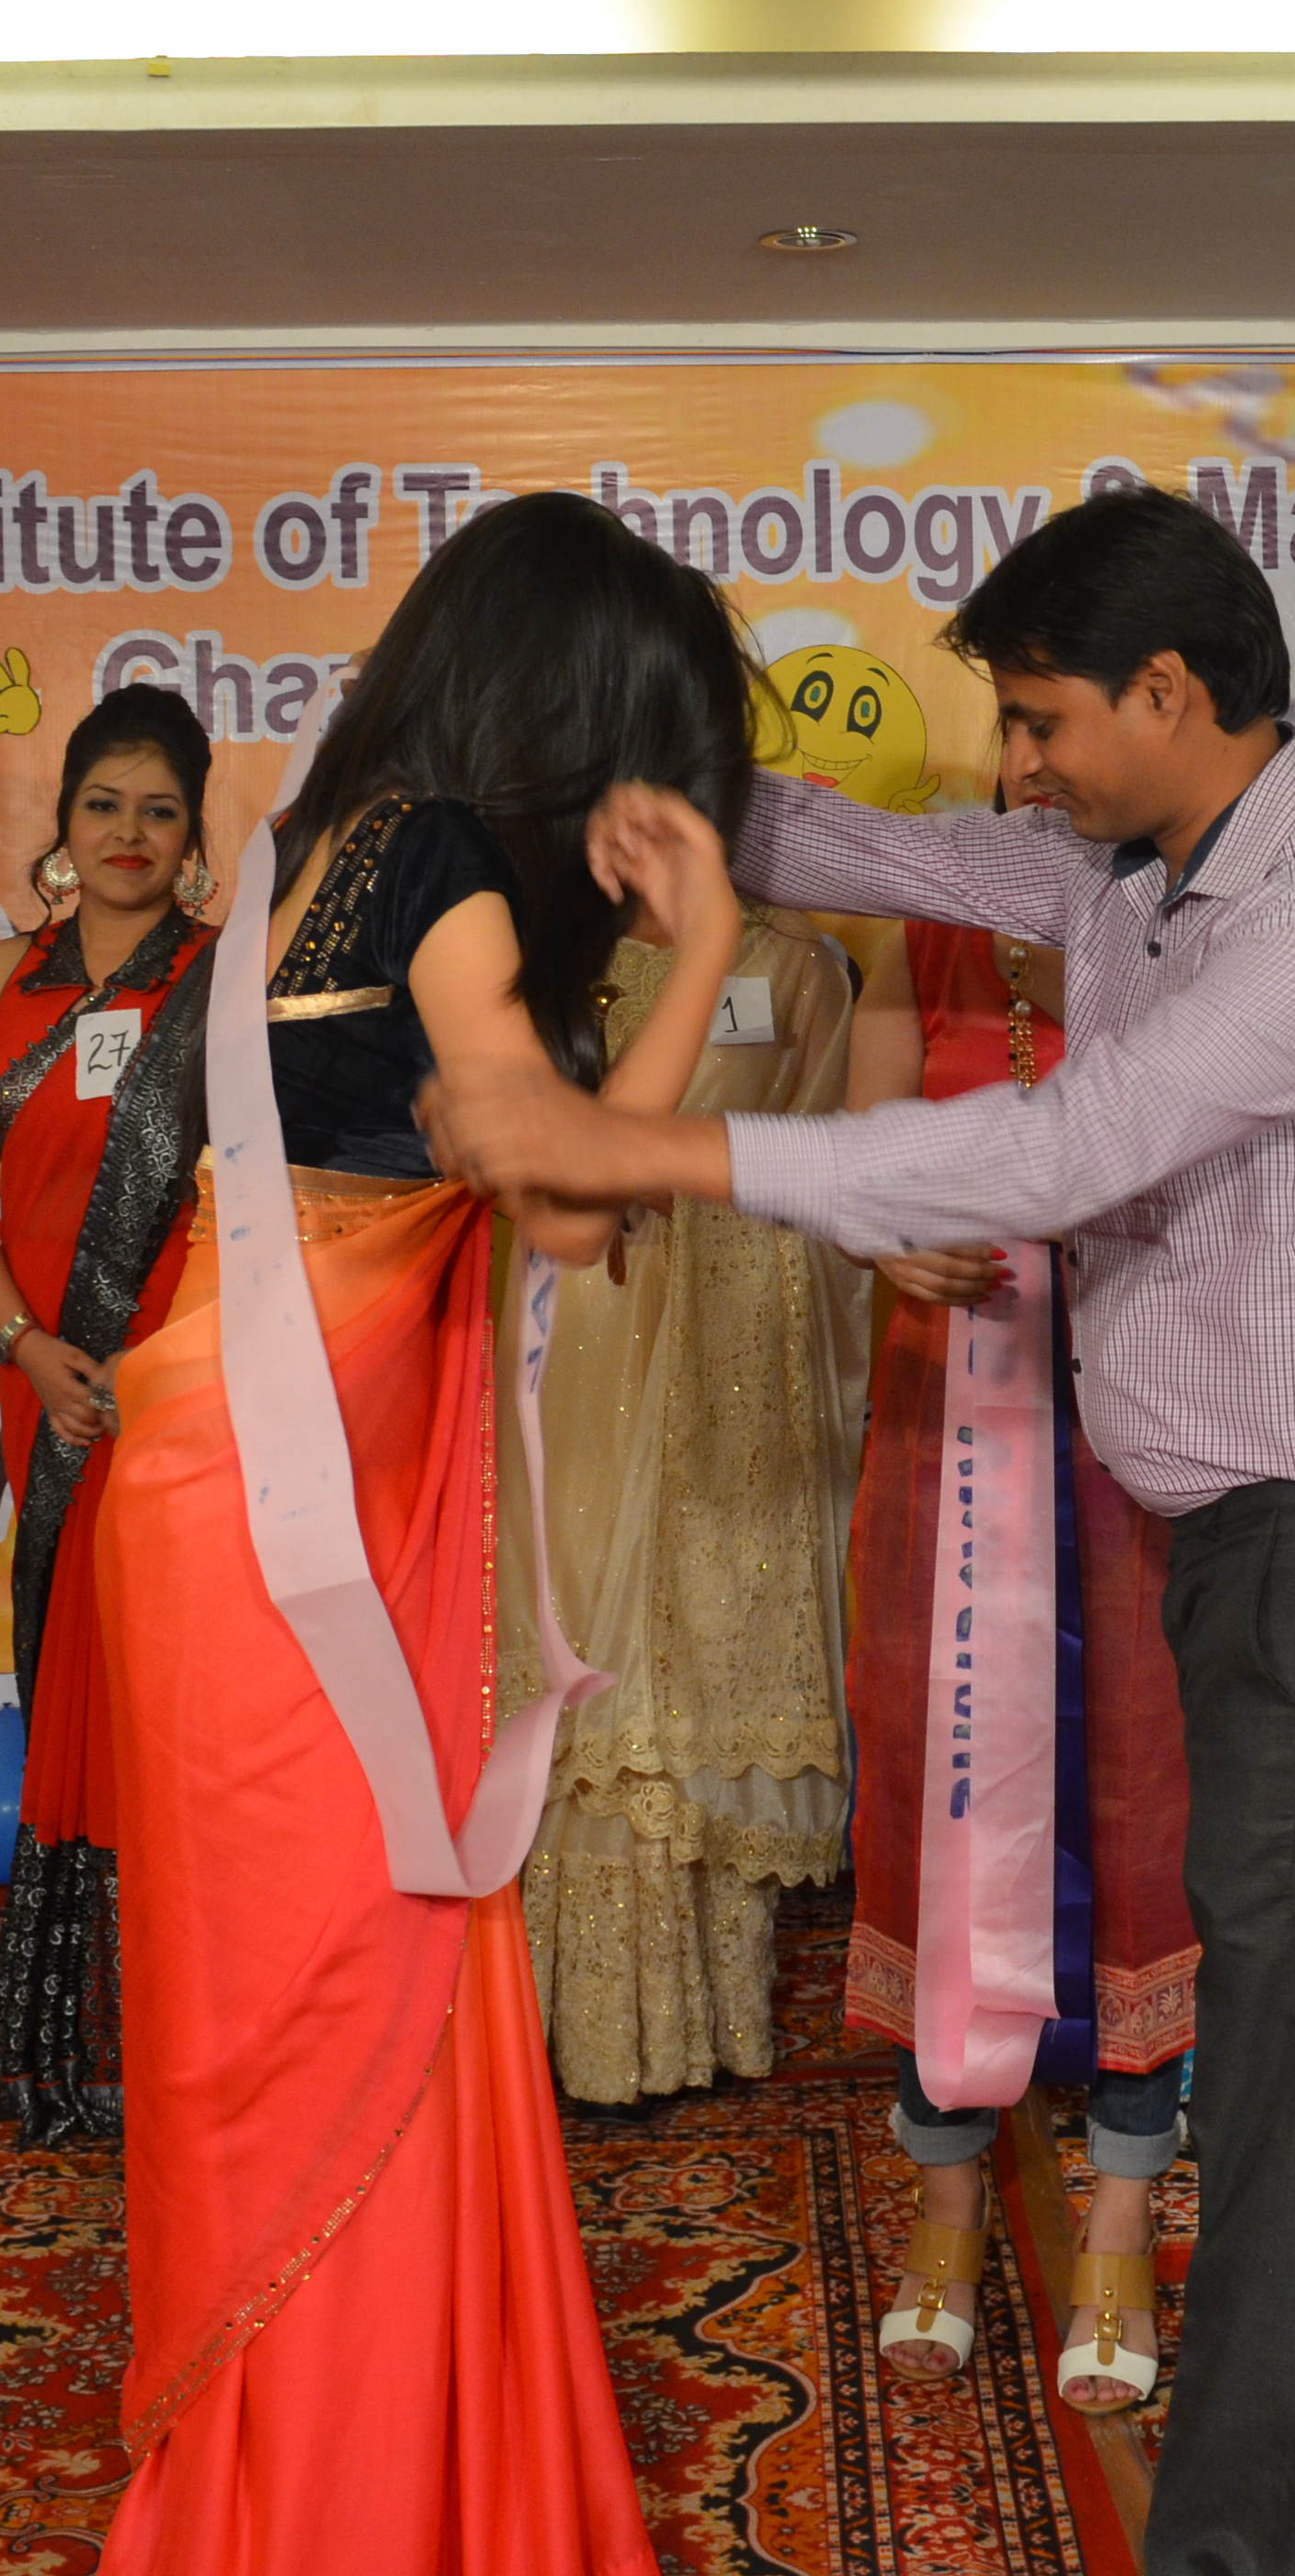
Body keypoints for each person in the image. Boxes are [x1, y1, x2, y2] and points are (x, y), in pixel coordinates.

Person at [423, 487, 1295, 2576]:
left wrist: (636, 1143)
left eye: (1037, 720)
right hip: (1284, 1543)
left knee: (1288, 2108)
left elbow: (1054, 1148)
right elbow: (843, 841)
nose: (1012, 766)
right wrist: (627, 746)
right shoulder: (1128, 871)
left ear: (1166, 690)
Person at [90, 492, 749, 2576]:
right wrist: (703, 947)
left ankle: (292, 2468)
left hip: (208, 1485)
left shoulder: (314, 844)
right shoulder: (448, 864)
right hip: (290, 1526)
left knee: (268, 1998)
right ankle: (360, 2498)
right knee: (356, 1969)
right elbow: (572, 1200)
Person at [847, 915, 1200, 2419]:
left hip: (1140, 1430)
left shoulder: (1187, 927)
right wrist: (887, 1233)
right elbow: (855, 1168)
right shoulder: (916, 943)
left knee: (1142, 1809)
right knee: (930, 1796)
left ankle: (1120, 2211)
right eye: (1025, 785)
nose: (1049, 795)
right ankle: (947, 2199)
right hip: (949, 1425)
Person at [0, 680, 222, 2145]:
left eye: (160, 811)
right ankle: (71, 2038)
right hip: (42, 1374)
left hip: (181, 1383)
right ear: (63, 823)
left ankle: (180, 2026)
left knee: (167, 1684)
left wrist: (181, 1362)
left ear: (195, 836)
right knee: (68, 1669)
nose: (129, 833)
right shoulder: (4, 977)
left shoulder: (223, 981)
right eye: (104, 805)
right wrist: (25, 1344)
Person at [514, 897, 859, 2105]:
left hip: (732, 1352)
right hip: (577, 1328)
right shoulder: (551, 949)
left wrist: (704, 1204)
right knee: (575, 1647)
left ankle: (688, 2025)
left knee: (705, 1649)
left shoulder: (798, 966)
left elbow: (836, 1173)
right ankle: (545, 2020)